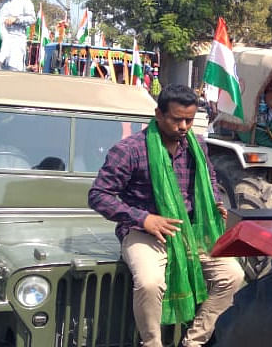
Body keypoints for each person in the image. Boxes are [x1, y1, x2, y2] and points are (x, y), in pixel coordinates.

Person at [88, 84, 243, 347]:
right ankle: (152, 343)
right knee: (149, 283)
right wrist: (144, 219)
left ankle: (193, 341)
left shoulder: (197, 146)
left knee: (233, 276)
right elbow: (98, 196)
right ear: (158, 114)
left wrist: (215, 202)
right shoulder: (130, 150)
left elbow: (209, 177)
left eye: (189, 120)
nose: (183, 127)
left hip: (192, 230)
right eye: (176, 119)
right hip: (145, 232)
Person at [0, 0, 36, 71]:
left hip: (16, 39)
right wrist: (0, 0)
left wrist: (16, 19)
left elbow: (32, 19)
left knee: (13, 68)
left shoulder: (24, 0)